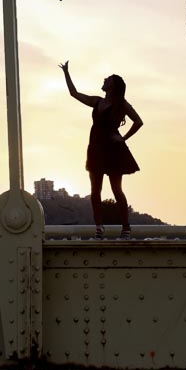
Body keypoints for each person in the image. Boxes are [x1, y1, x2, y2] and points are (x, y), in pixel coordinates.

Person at [59, 61, 143, 239]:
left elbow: (138, 121)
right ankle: (99, 227)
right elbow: (74, 94)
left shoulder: (121, 104)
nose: (105, 79)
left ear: (113, 85)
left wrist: (122, 138)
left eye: (108, 79)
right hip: (96, 148)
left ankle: (126, 228)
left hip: (113, 150)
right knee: (95, 190)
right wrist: (66, 72)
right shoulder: (97, 101)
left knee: (116, 190)